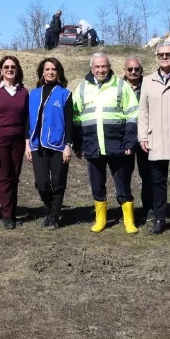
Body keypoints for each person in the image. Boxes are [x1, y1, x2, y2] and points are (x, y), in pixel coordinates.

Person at [74, 51, 140, 234]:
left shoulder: (121, 86)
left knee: (123, 183)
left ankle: (129, 220)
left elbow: (133, 115)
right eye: (97, 67)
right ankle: (101, 219)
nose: (101, 70)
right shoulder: (81, 88)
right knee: (97, 184)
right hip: (92, 145)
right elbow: (76, 118)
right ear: (91, 68)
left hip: (117, 145)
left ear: (109, 67)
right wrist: (78, 144)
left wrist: (129, 143)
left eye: (104, 66)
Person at [137, 42, 170, 236]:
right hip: (156, 139)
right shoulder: (148, 81)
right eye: (161, 54)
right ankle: (159, 219)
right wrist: (142, 136)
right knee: (158, 181)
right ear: (157, 56)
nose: (164, 57)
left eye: (168, 54)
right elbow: (143, 111)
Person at [27, 58, 75, 228]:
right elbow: (28, 119)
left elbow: (70, 122)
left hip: (58, 145)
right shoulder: (33, 94)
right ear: (42, 72)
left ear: (59, 72)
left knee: (58, 181)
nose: (50, 72)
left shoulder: (65, 94)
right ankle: (49, 207)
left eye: (54, 69)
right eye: (47, 69)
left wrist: (68, 145)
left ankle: (54, 215)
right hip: (36, 145)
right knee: (41, 182)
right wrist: (27, 143)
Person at [0, 55, 28, 228]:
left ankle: (13, 211)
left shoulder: (23, 92)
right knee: (3, 177)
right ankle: (7, 215)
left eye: (13, 67)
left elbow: (26, 120)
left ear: (17, 70)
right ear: (1, 70)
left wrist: (26, 142)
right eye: (6, 67)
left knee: (14, 176)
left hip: (17, 141)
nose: (10, 69)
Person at [122, 57, 153, 224]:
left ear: (141, 70)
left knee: (148, 174)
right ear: (124, 70)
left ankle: (149, 209)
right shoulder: (118, 87)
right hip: (125, 138)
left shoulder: (149, 85)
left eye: (136, 69)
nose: (133, 72)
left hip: (146, 137)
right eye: (130, 69)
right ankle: (127, 210)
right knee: (124, 175)